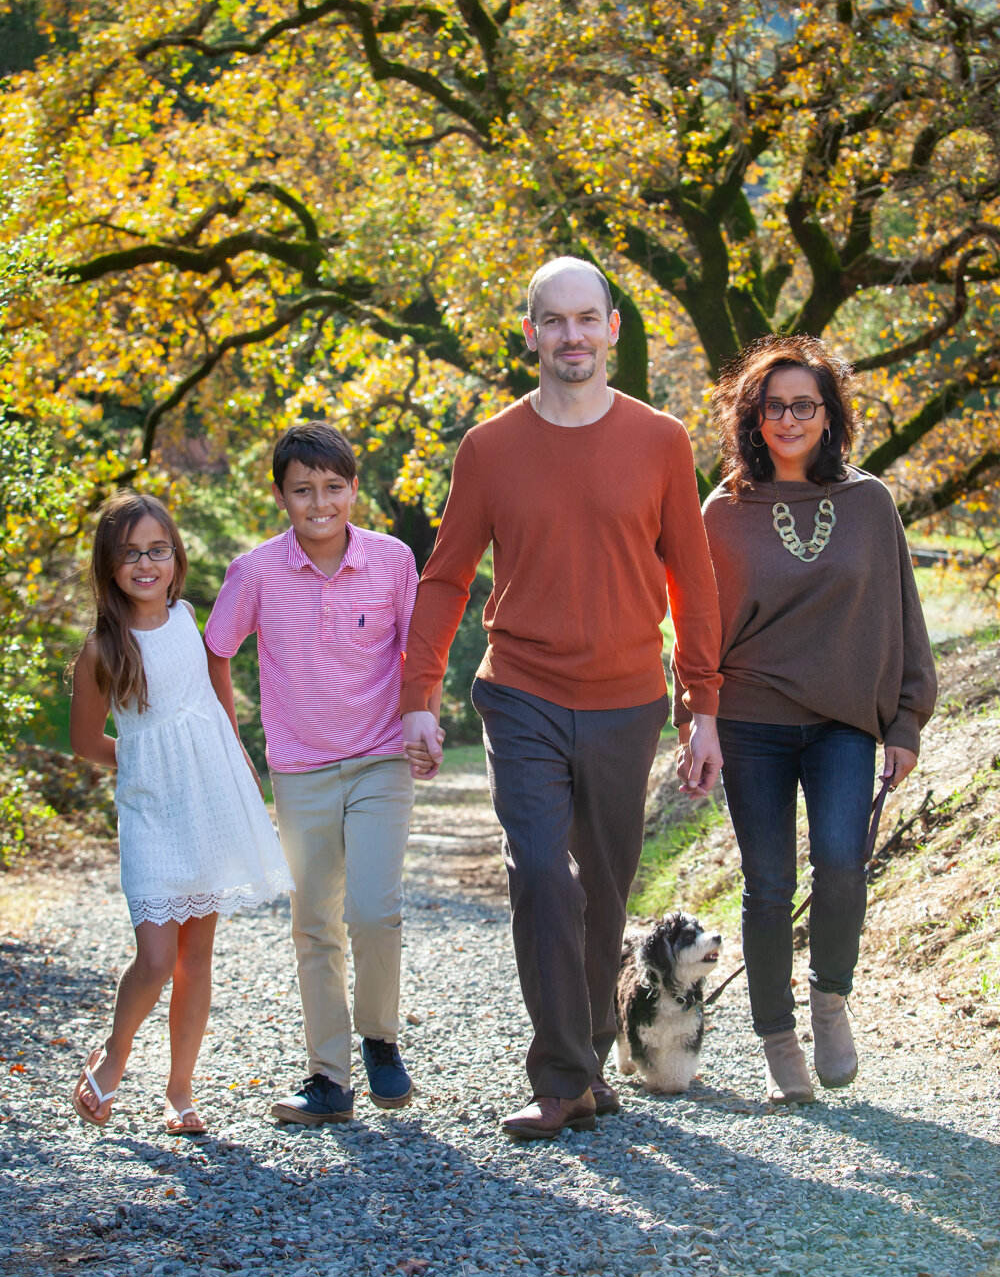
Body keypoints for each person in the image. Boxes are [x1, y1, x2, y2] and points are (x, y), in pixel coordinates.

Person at [401, 255, 724, 1140]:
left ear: (613, 328)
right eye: (555, 320)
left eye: (588, 319)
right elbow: (446, 578)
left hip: (627, 699)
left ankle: (588, 1053)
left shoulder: (660, 440)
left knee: (606, 893)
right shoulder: (490, 447)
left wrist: (702, 707)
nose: (572, 336)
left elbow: (693, 580)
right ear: (531, 331)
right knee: (542, 873)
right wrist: (420, 695)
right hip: (523, 691)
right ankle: (561, 1079)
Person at [683, 335, 937, 1104]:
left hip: (843, 721)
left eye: (803, 405)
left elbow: (902, 613)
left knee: (840, 862)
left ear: (829, 415)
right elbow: (695, 625)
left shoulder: (869, 503)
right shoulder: (722, 511)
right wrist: (700, 719)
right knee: (766, 886)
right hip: (752, 718)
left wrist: (905, 722)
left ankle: (830, 999)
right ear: (751, 417)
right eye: (772, 406)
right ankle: (778, 1039)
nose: (788, 418)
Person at [205, 422, 428, 1125]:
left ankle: (380, 1039)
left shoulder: (392, 561)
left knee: (372, 910)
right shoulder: (256, 571)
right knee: (314, 925)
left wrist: (421, 715)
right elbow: (217, 649)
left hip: (380, 761)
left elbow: (418, 652)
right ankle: (328, 1078)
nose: (320, 503)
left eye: (334, 487)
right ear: (282, 496)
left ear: (355, 489)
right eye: (303, 490)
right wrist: (232, 738)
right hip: (299, 770)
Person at [69, 492, 293, 1133]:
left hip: (208, 805)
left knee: (198, 959)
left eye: (158, 550)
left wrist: (240, 769)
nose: (146, 564)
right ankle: (115, 1054)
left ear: (175, 556)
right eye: (131, 553)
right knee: (157, 959)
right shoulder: (102, 650)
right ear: (109, 563)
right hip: (151, 814)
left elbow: (216, 710)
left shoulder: (189, 620)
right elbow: (87, 743)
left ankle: (180, 1091)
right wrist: (143, 764)